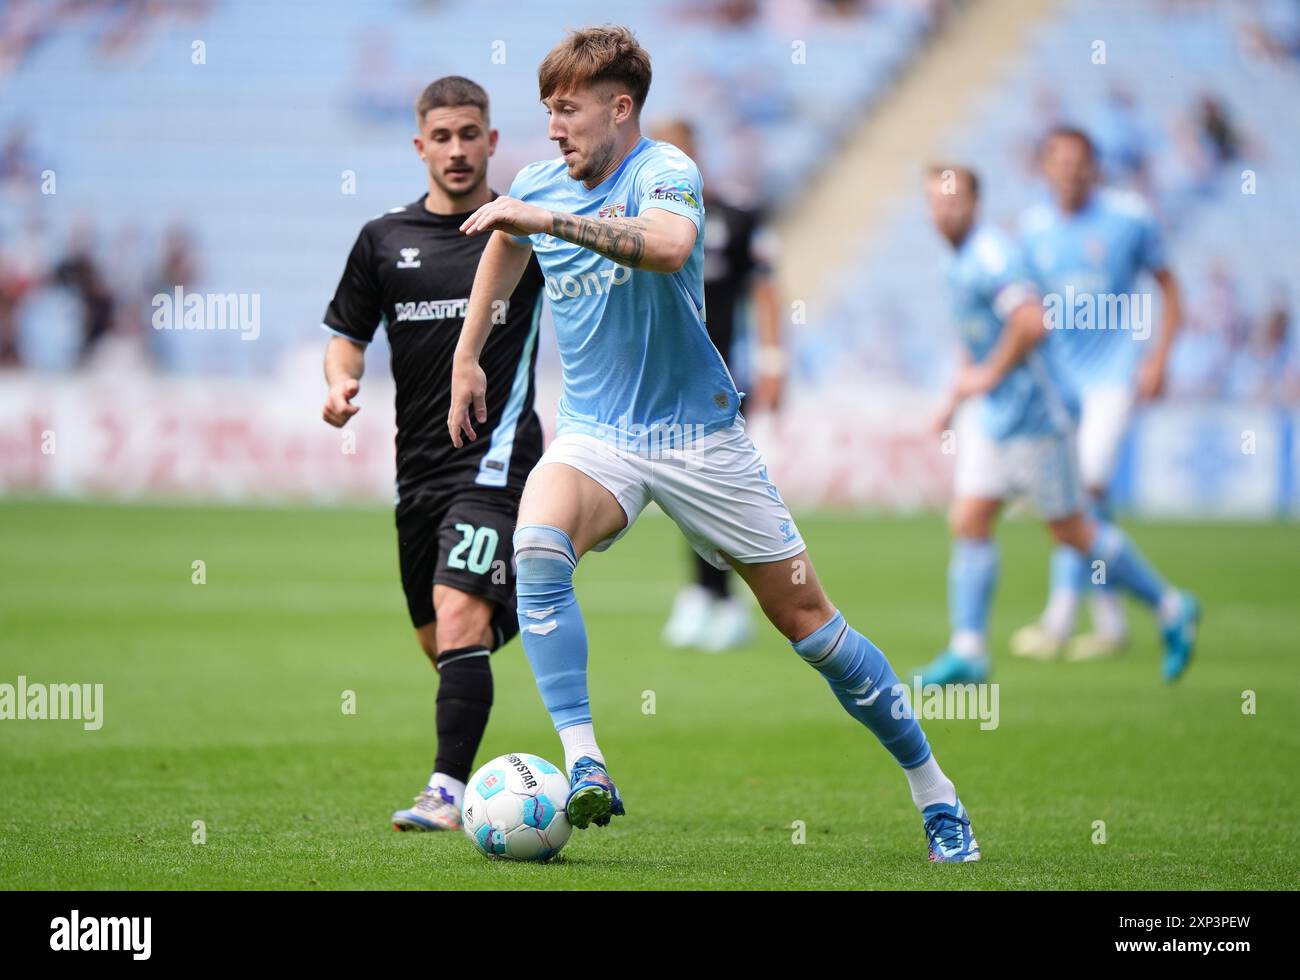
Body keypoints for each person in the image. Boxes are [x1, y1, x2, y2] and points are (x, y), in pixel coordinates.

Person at [448, 25, 979, 862]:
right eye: (547, 110)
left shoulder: (665, 172)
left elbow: (669, 247)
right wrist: (467, 354)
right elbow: (507, 246)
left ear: (620, 109)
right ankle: (586, 762)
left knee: (812, 627)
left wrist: (548, 216)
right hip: (599, 436)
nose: (552, 128)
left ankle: (935, 790)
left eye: (569, 110)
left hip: (699, 439)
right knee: (537, 547)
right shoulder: (540, 181)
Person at [320, 76, 545, 832]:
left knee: (456, 618)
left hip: (498, 462)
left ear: (491, 140)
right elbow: (347, 338)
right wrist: (340, 386)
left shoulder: (520, 232)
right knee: (443, 638)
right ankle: (501, 637)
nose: (456, 150)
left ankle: (446, 791)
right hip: (415, 475)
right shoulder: (384, 241)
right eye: (441, 137)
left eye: (469, 134)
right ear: (420, 145)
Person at [915, 165, 1200, 687]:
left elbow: (1031, 322)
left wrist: (987, 377)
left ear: (975, 204)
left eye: (954, 201)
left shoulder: (991, 255)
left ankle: (1170, 605)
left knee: (1071, 531)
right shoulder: (954, 263)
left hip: (1038, 415)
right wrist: (957, 395)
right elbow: (976, 338)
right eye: (936, 201)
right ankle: (969, 651)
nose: (945, 210)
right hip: (998, 415)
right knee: (970, 519)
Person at [1011, 127, 1184, 663]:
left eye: (1078, 162)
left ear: (1094, 167)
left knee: (1078, 494)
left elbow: (1170, 286)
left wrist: (1159, 356)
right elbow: (1023, 305)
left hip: (1113, 378)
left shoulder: (1129, 217)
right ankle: (1110, 623)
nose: (1069, 171)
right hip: (1059, 386)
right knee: (1087, 503)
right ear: (1044, 168)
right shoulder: (1032, 227)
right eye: (1058, 162)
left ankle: (1059, 620)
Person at [648, 117, 784, 652]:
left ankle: (721, 598)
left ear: (695, 152)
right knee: (686, 488)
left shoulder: (736, 213)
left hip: (722, 376)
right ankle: (711, 595)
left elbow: (767, 289)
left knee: (718, 486)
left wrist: (773, 362)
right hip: (663, 375)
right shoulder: (642, 214)